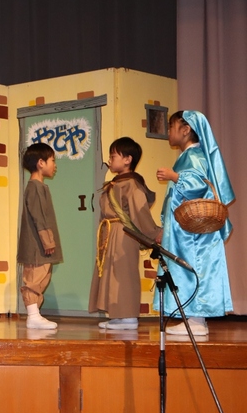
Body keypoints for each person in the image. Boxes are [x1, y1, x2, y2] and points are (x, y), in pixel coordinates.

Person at [155, 110, 235, 336]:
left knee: (195, 267)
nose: (168, 132)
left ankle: (197, 319)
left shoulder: (194, 155)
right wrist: (164, 226)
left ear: (185, 129)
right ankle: (193, 318)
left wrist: (174, 176)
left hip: (193, 234)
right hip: (185, 231)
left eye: (171, 127)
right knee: (187, 268)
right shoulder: (187, 156)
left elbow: (198, 185)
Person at [89, 137, 162, 330]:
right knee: (111, 273)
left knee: (124, 273)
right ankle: (118, 315)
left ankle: (129, 317)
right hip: (110, 232)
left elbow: (140, 211)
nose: (110, 160)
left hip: (124, 234)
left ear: (127, 159)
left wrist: (154, 233)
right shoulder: (115, 183)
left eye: (113, 156)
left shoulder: (132, 184)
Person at [17, 143, 62, 330]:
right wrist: (47, 240)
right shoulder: (34, 187)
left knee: (42, 277)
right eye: (52, 160)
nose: (55, 165)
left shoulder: (40, 187)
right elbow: (38, 217)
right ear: (41, 163)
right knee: (34, 278)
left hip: (41, 244)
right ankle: (33, 316)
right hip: (37, 244)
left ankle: (35, 315)